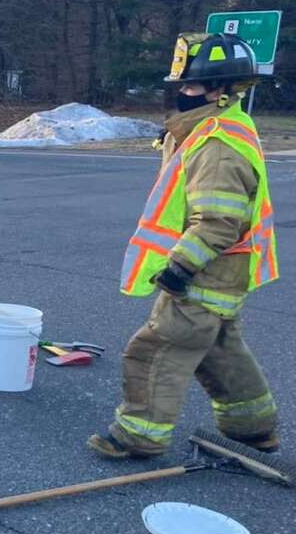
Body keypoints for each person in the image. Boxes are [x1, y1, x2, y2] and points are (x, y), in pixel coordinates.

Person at [89, 33, 279, 459]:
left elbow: (217, 221)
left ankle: (139, 435)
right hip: (228, 271)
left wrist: (179, 268)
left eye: (191, 86)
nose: (182, 93)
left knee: (155, 349)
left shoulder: (216, 145)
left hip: (205, 272)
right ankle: (254, 429)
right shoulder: (214, 129)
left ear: (222, 89)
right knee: (219, 349)